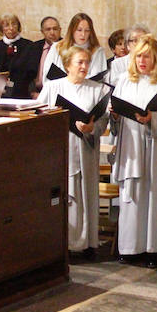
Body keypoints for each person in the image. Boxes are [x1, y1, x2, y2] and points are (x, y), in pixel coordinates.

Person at [110, 34, 157, 266]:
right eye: (138, 56)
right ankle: (129, 248)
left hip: (154, 143)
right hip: (131, 143)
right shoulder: (125, 80)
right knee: (131, 196)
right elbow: (116, 108)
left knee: (154, 195)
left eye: (146, 56)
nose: (142, 61)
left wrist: (152, 118)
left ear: (155, 57)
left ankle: (153, 250)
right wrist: (115, 115)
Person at [37, 46, 107, 257]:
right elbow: (39, 114)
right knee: (65, 197)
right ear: (68, 65)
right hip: (61, 149)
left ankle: (88, 244)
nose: (85, 66)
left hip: (85, 149)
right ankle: (64, 244)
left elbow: (102, 119)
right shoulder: (53, 87)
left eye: (87, 62)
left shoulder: (98, 89)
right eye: (80, 62)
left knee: (86, 195)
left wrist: (92, 127)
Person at [41, 13, 107, 87]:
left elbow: (99, 79)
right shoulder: (57, 47)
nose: (83, 34)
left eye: (87, 30)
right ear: (72, 30)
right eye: (79, 30)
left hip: (85, 93)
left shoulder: (97, 51)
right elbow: (47, 75)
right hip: (60, 91)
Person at [0, 13, 36, 98]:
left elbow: (31, 70)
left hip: (22, 91)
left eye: (14, 24)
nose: (11, 28)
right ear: (1, 28)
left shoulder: (28, 45)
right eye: (7, 25)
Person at [30, 16, 62, 97]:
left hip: (58, 94)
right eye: (48, 29)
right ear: (42, 32)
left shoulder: (67, 48)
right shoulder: (34, 47)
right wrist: (32, 93)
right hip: (36, 94)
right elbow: (27, 73)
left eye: (55, 29)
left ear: (60, 30)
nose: (52, 32)